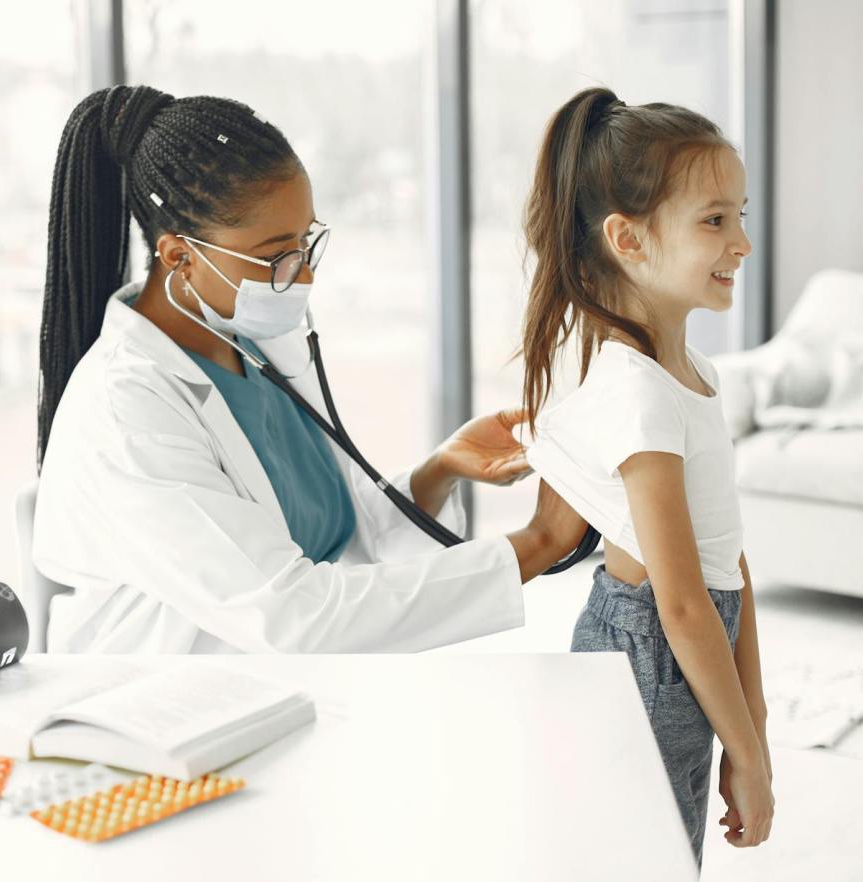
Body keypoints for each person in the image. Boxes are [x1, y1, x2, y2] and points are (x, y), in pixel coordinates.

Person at [33, 84, 585, 654]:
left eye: (306, 243)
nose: (303, 277)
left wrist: (436, 472)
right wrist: (539, 542)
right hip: (162, 709)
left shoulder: (250, 342)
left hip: (289, 690)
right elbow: (292, 614)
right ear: (180, 257)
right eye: (276, 256)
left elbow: (329, 532)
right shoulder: (126, 408)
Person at [520, 87, 773, 867]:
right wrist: (754, 760)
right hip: (651, 653)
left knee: (665, 857)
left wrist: (751, 724)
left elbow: (725, 564)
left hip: (685, 641)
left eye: (740, 214)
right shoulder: (638, 393)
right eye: (714, 220)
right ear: (628, 239)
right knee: (644, 867)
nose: (742, 242)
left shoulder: (689, 370)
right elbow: (684, 604)